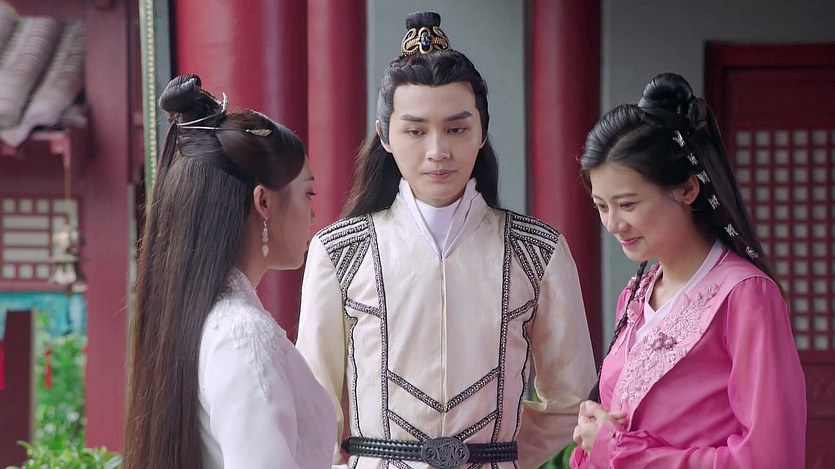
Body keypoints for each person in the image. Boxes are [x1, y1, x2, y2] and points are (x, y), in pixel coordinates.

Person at [295, 11, 596, 469]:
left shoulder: (537, 251)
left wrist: (497, 454)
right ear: (385, 136)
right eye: (415, 131)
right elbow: (314, 403)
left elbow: (570, 398)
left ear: (482, 132)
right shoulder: (340, 251)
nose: (438, 151)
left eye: (456, 129)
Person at [570, 72, 806, 468]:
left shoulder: (744, 294)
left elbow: (770, 457)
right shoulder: (636, 295)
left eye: (627, 204)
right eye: (601, 206)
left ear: (687, 189)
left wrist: (621, 451)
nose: (613, 224)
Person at [123, 74, 335, 469]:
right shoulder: (242, 334)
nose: (313, 214)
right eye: (308, 193)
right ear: (263, 202)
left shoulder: (205, 320)